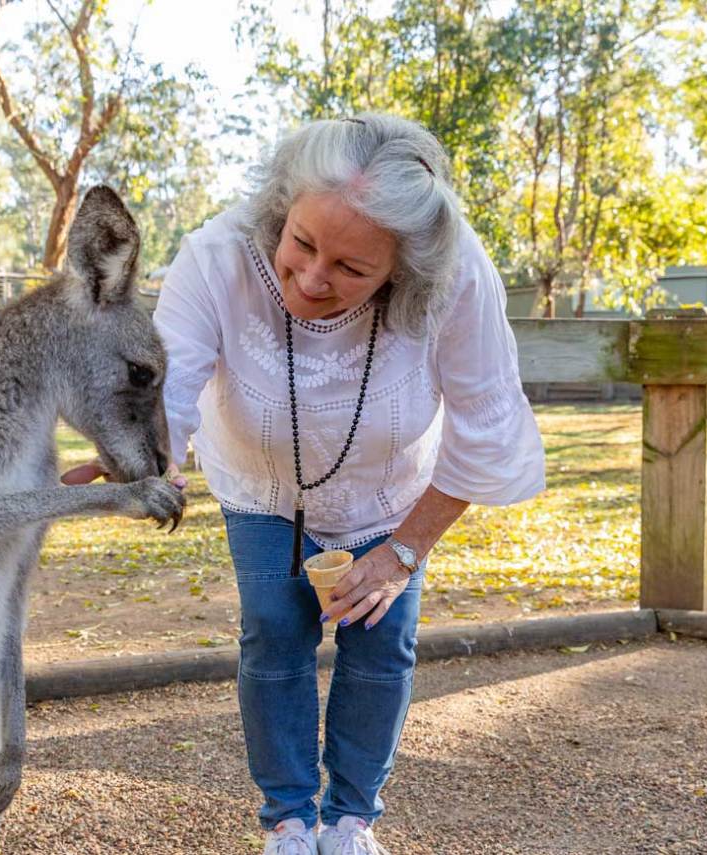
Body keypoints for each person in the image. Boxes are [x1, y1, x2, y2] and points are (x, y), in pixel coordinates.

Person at [67, 114, 545, 855]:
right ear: (281, 209)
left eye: (353, 269)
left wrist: (404, 552)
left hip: (388, 491)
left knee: (382, 642)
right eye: (303, 243)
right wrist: (142, 452)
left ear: (402, 269)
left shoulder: (454, 273)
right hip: (262, 481)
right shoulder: (218, 253)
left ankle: (351, 821)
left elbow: (486, 426)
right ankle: (289, 821)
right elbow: (174, 377)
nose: (315, 278)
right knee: (274, 633)